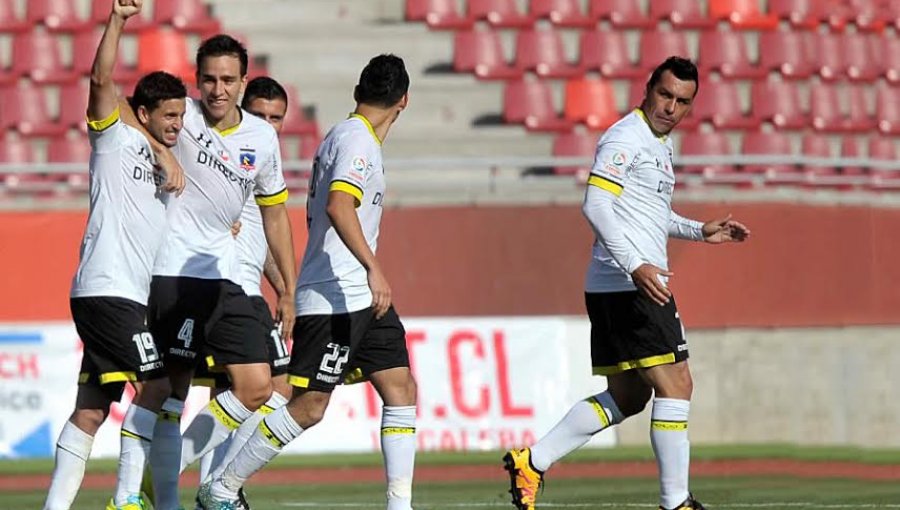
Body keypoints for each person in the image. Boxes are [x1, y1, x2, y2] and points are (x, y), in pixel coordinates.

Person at [503, 57, 751, 510]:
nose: (671, 108)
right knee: (678, 385)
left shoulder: (659, 145)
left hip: (618, 284)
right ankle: (676, 502)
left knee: (629, 395)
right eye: (665, 95)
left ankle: (531, 462)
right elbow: (596, 205)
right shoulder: (625, 137)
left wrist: (700, 231)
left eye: (682, 102)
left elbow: (650, 215)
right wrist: (637, 265)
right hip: (630, 284)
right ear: (648, 89)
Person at [198, 54, 417, 510]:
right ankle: (221, 488)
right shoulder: (357, 142)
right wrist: (374, 266)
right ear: (404, 101)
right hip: (337, 296)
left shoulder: (348, 134)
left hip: (358, 295)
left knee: (400, 387)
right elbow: (340, 206)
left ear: (359, 93)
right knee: (309, 406)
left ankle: (400, 505)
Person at [120, 34, 297, 510]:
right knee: (171, 394)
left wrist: (290, 287)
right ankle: (150, 498)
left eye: (227, 80)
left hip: (228, 277)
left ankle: (169, 474)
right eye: (208, 80)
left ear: (243, 81)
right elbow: (118, 106)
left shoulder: (262, 138)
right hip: (174, 272)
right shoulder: (183, 115)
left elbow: (276, 213)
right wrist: (161, 151)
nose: (217, 89)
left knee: (259, 386)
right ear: (197, 81)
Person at [42, 2, 187, 509]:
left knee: (91, 410)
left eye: (181, 118)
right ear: (145, 115)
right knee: (159, 386)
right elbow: (103, 80)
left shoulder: (169, 159)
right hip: (108, 290)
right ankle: (127, 498)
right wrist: (119, 21)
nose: (177, 127)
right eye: (168, 117)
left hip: (121, 295)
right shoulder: (114, 139)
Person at [193, 76, 293, 508]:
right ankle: (216, 488)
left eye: (277, 118)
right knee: (277, 387)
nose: (268, 124)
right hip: (220, 290)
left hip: (247, 290)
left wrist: (285, 290)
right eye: (261, 115)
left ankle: (215, 487)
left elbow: (267, 239)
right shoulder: (223, 160)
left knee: (239, 392)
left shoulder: (264, 160)